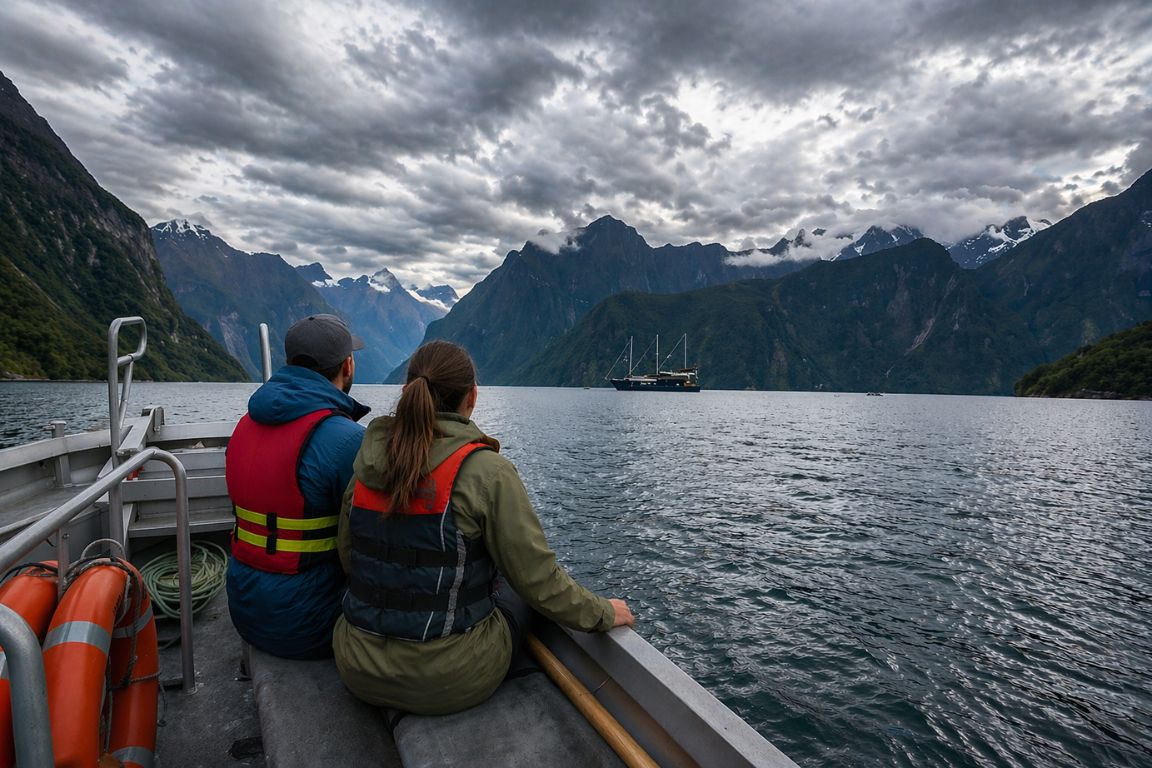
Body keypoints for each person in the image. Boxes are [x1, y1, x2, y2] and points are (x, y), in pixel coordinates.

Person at [333, 340, 635, 714]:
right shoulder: (486, 472)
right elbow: (539, 583)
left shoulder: (369, 461)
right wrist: (603, 611)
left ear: (409, 389)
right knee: (515, 590)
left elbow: (349, 556)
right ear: (472, 397)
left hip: (356, 664)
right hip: (448, 679)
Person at [225, 314, 370, 659]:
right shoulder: (346, 440)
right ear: (347, 365)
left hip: (244, 608)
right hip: (309, 624)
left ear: (289, 363)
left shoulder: (244, 426)